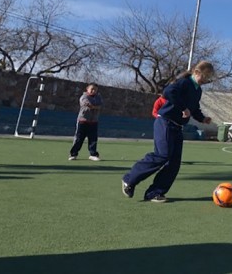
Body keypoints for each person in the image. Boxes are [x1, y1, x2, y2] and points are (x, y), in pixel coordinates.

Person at [122, 61, 214, 203]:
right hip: (165, 122)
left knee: (174, 163)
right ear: (196, 72)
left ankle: (154, 192)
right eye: (205, 76)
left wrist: (202, 118)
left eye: (208, 78)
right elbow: (168, 92)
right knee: (162, 155)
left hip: (178, 127)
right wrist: (183, 108)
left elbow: (194, 108)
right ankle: (129, 179)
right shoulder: (184, 82)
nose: (205, 80)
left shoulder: (197, 90)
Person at [69, 84, 103, 161]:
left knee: (93, 139)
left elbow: (100, 106)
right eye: (92, 89)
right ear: (87, 89)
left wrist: (95, 107)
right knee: (79, 138)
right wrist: (95, 107)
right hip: (83, 121)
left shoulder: (98, 98)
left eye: (95, 90)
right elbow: (88, 105)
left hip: (94, 122)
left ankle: (93, 154)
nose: (93, 91)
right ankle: (73, 154)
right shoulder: (84, 97)